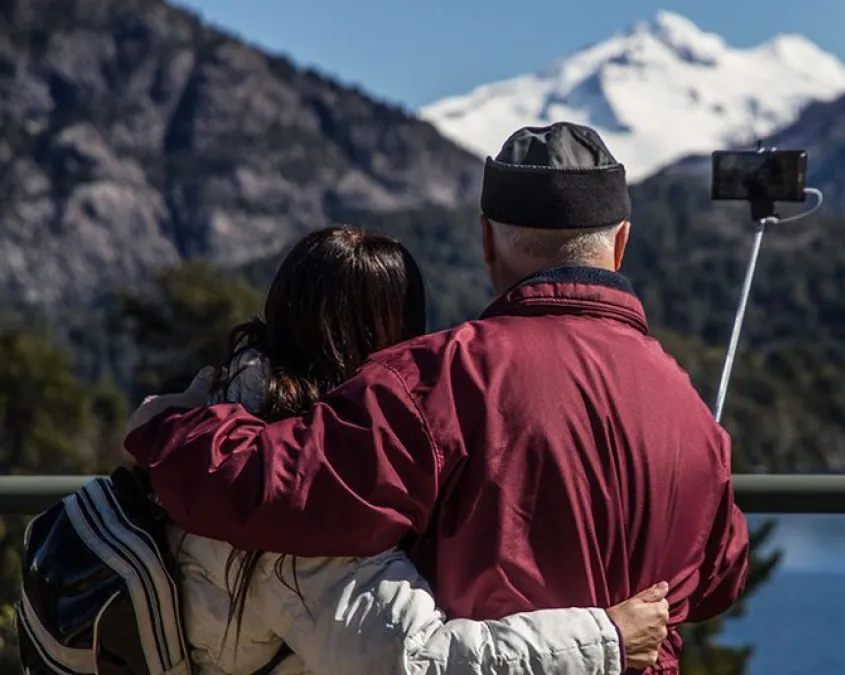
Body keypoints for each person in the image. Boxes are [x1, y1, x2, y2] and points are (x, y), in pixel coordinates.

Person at [126, 122, 750, 675]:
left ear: (486, 240)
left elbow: (272, 487)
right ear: (620, 243)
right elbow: (721, 577)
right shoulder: (693, 415)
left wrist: (172, 425)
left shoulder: (436, 379)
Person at [147, 225, 671, 675]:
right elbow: (420, 661)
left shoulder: (213, 433)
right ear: (393, 338)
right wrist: (607, 639)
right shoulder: (306, 504)